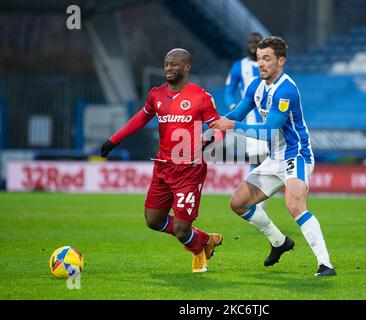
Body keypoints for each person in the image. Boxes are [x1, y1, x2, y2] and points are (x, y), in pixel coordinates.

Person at [211, 36, 336, 276]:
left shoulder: (286, 90)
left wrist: (231, 127)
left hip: (295, 154)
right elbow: (238, 112)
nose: (261, 64)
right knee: (238, 203)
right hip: (274, 157)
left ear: (281, 61)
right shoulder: (256, 86)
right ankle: (280, 242)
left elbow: (269, 130)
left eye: (266, 59)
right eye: (259, 59)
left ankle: (326, 264)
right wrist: (214, 124)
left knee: (294, 204)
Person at [100, 48, 223, 273]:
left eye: (174, 64)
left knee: (181, 230)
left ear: (187, 67)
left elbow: (219, 128)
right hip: (164, 167)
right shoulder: (156, 94)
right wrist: (114, 139)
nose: (168, 68)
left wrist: (209, 138)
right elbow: (141, 118)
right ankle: (206, 239)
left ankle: (198, 253)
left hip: (190, 170)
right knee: (153, 220)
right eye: (166, 64)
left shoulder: (201, 97)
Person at [225, 32, 269, 203]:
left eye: (257, 42)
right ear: (245, 44)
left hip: (271, 120)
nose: (253, 44)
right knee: (256, 160)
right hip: (251, 122)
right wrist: (232, 106)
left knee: (271, 160)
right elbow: (229, 90)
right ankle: (256, 202)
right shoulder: (238, 66)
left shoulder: (269, 64)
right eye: (250, 41)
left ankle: (259, 200)